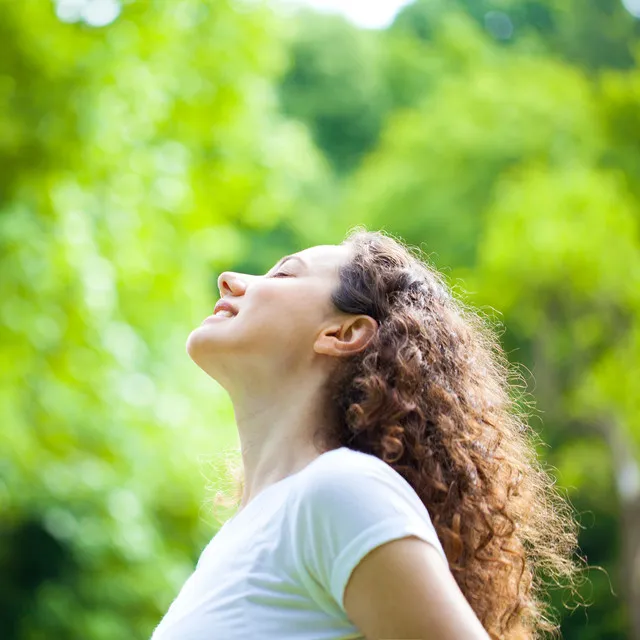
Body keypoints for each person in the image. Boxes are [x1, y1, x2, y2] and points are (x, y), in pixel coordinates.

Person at [151, 228, 582, 639]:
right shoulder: (248, 531)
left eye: (283, 273)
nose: (228, 280)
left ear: (343, 332)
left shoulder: (339, 491)